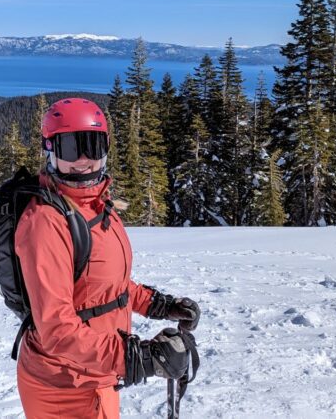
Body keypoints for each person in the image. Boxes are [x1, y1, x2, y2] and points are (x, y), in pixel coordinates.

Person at [14, 97, 200, 419]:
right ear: (51, 150)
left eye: (93, 145)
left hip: (98, 372)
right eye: (71, 147)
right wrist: (140, 358)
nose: (83, 160)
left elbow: (106, 285)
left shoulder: (97, 206)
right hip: (65, 387)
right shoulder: (45, 222)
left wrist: (158, 304)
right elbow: (57, 329)